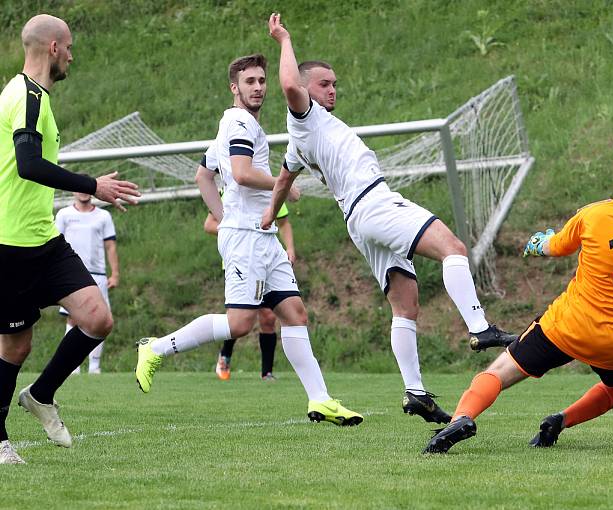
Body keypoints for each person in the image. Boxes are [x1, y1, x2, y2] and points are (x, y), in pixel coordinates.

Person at [263, 14, 517, 425]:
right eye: (324, 84)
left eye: (334, 84)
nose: (332, 91)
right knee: (452, 248)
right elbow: (290, 85)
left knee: (405, 305)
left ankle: (415, 392)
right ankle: (480, 327)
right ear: (308, 88)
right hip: (374, 203)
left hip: (358, 219)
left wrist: (267, 220)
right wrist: (284, 39)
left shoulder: (301, 140)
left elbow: (282, 181)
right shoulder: (304, 117)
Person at [135, 54, 362, 427]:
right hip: (247, 239)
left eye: (261, 80)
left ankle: (320, 400)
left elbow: (202, 176)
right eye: (250, 81)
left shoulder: (235, 124)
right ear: (234, 88)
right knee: (240, 325)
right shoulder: (239, 123)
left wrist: (224, 220)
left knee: (294, 314)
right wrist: (282, 186)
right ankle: (155, 348)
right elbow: (240, 174)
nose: (258, 87)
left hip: (261, 236)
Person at [422, 148, 613, 453]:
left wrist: (538, 242)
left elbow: (554, 247)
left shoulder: (591, 214)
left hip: (566, 327)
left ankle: (462, 418)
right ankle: (560, 421)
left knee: (499, 372)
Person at [0, 14, 139, 464]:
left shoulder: (32, 95)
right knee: (15, 345)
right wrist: (92, 184)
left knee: (97, 317)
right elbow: (28, 164)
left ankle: (41, 395)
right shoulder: (26, 96)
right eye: (71, 47)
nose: (73, 56)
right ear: (54, 47)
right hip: (10, 244)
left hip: (44, 239)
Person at [198, 150, 296, 381]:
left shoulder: (270, 191)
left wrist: (290, 248)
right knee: (241, 319)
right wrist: (238, 228)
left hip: (266, 255)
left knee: (270, 317)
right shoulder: (231, 191)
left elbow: (283, 223)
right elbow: (209, 224)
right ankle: (225, 354)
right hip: (241, 256)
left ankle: (267, 372)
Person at [55, 192, 119, 375]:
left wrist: (115, 274)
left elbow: (110, 246)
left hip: (97, 274)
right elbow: (55, 243)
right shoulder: (63, 214)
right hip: (70, 274)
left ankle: (94, 367)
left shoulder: (103, 216)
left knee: (100, 320)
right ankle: (73, 366)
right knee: (73, 318)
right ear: (74, 191)